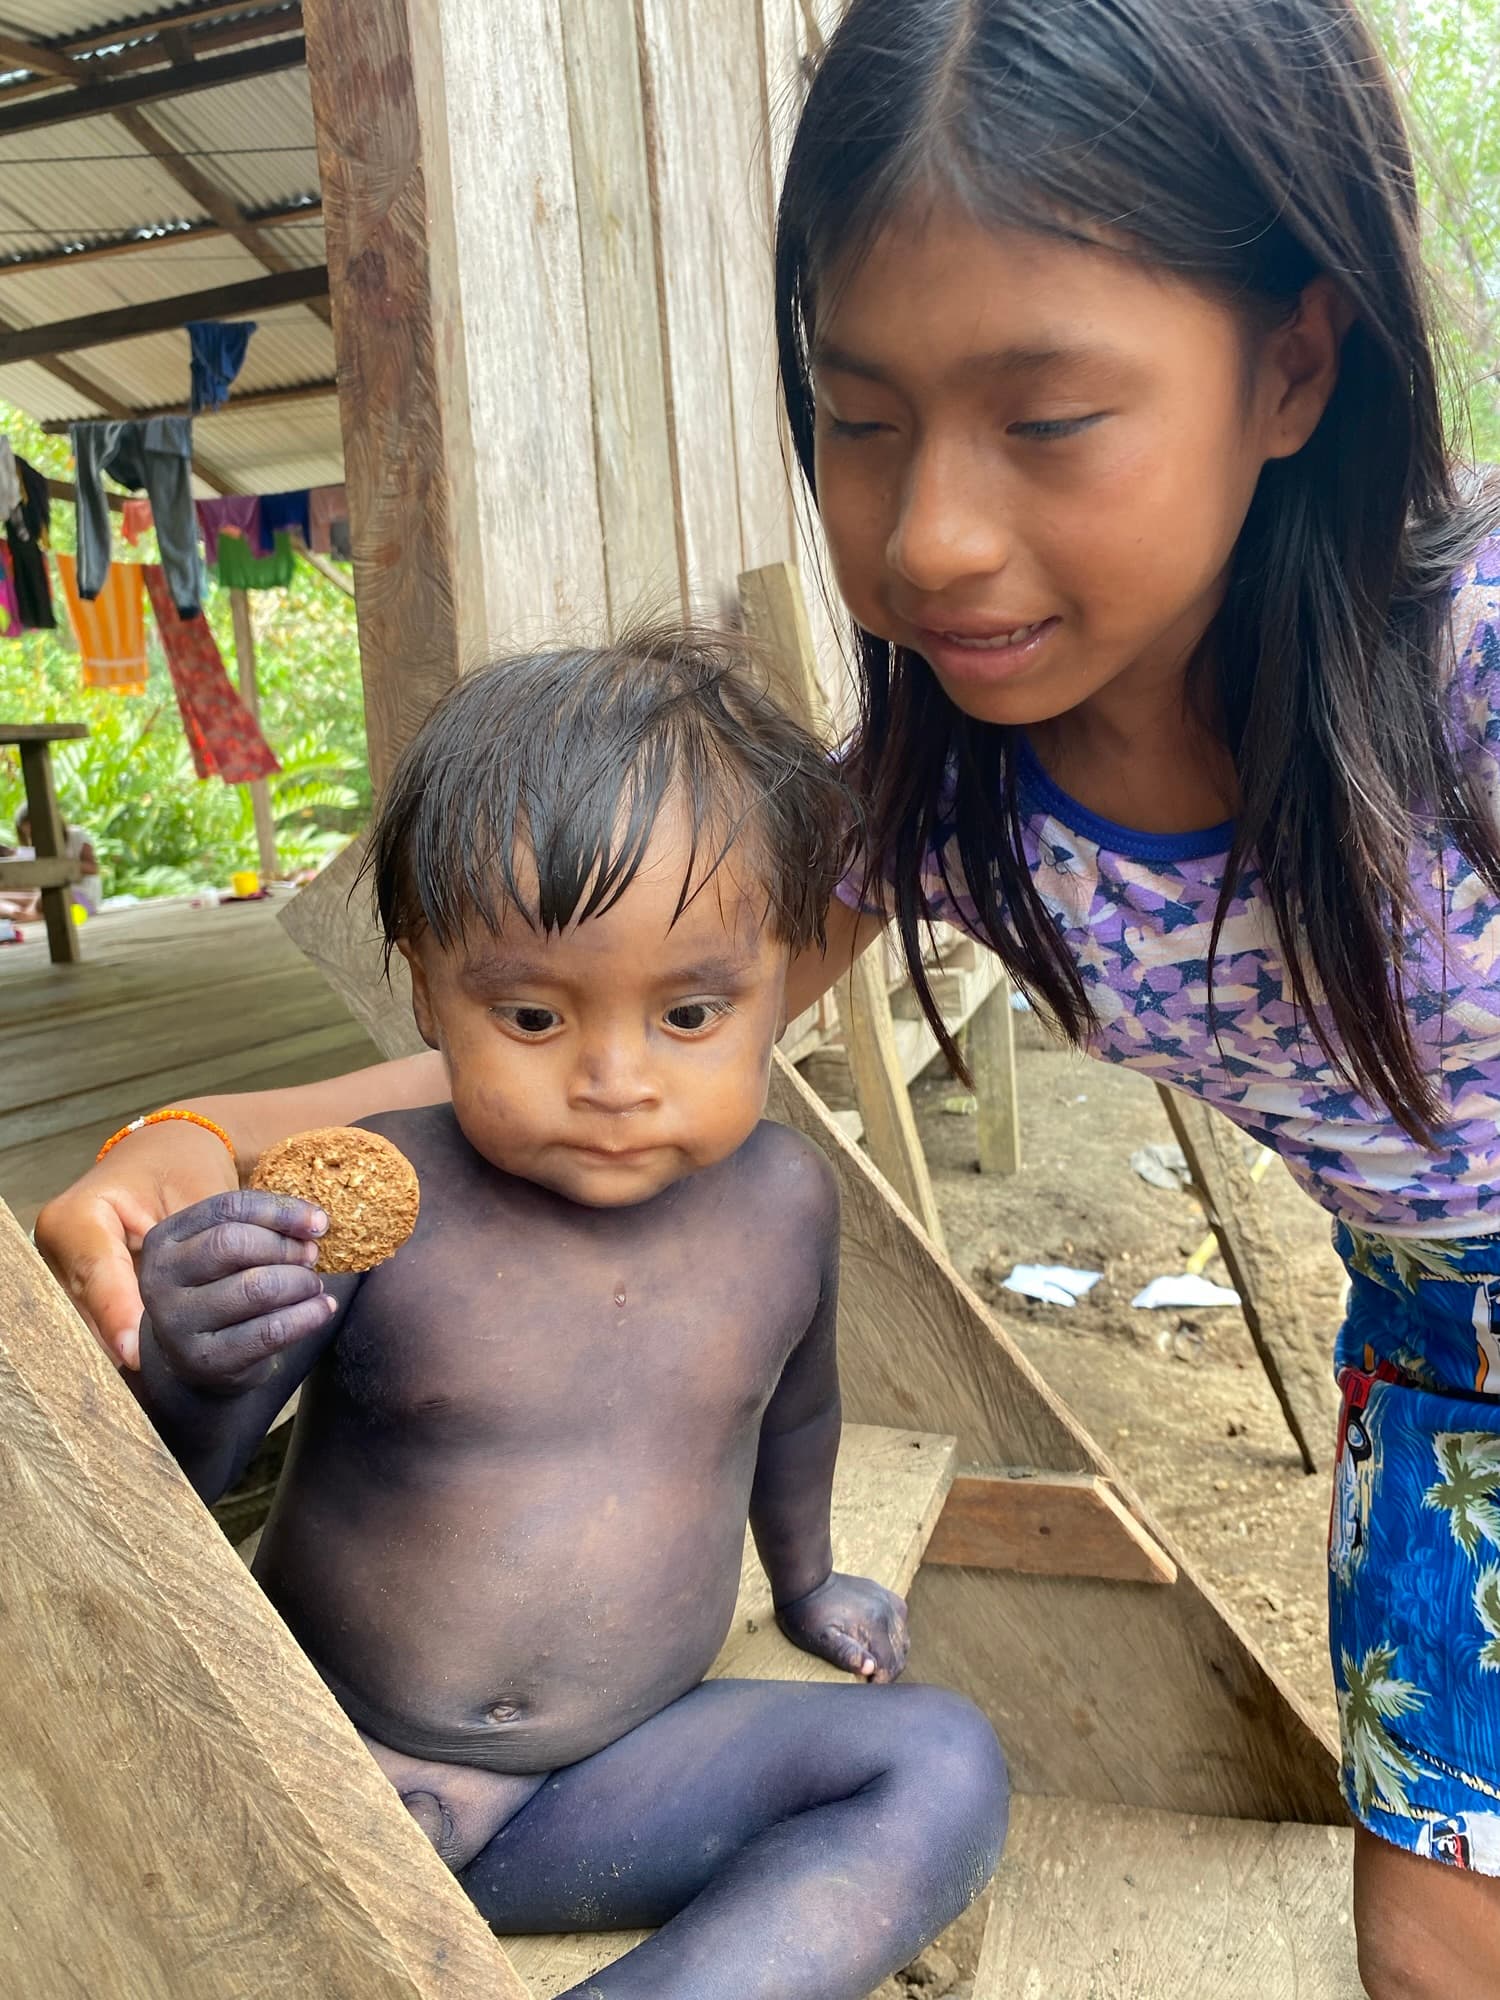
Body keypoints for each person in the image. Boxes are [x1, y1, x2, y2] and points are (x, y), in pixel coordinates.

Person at [33, 0, 1500, 1990]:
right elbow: (612, 1020)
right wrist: (192, 1138)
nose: (928, 535)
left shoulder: (1466, 673)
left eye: (1047, 418)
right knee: (1433, 1949)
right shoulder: (966, 797)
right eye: (859, 415)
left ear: (1296, 363)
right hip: (1437, 1362)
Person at [127, 632, 1008, 2000]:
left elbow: (801, 1410)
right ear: (429, 992)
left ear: (779, 981)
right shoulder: (376, 1196)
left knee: (943, 1764)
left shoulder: (783, 1204)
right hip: (325, 1765)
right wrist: (186, 1361)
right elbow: (185, 1489)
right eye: (534, 1016)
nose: (614, 1077)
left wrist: (813, 1578)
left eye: (692, 1011)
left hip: (604, 1783)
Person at [0, 807, 102, 922]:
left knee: (47, 898)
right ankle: (17, 912)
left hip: (81, 899)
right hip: (47, 897)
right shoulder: (37, 847)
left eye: (36, 833)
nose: (34, 838)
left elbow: (93, 868)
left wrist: (59, 866)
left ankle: (28, 915)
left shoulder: (76, 835)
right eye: (30, 836)